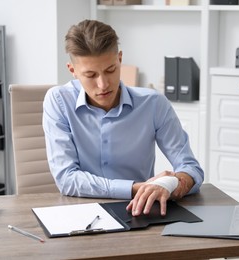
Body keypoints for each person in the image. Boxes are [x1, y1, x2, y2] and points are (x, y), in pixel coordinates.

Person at [42, 19, 204, 217]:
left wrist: (168, 184)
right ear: (72, 71)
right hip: (79, 213)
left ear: (120, 59)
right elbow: (67, 179)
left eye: (110, 70)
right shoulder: (58, 102)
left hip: (138, 213)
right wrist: (136, 188)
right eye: (91, 75)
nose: (103, 85)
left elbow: (191, 169)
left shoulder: (153, 104)